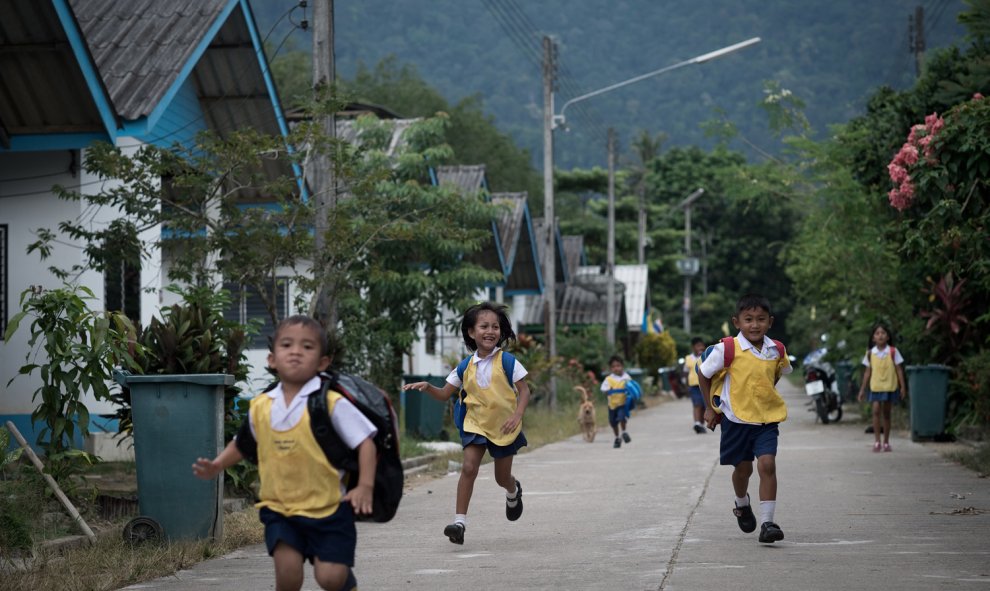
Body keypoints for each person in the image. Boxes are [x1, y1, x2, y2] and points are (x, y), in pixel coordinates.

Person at [193, 315, 376, 591]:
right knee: (288, 577)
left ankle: (345, 582)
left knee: (330, 579)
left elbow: (365, 442)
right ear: (272, 359)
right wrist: (217, 465)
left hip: (329, 509)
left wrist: (365, 485)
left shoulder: (330, 402)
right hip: (280, 510)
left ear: (323, 362)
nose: (295, 352)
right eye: (287, 345)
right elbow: (243, 444)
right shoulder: (261, 406)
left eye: (307, 347)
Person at [402, 301, 531, 545]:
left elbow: (524, 391)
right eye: (484, 326)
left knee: (501, 478)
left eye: (495, 326)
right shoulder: (464, 367)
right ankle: (459, 523)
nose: (490, 331)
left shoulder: (508, 361)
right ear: (472, 332)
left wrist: (517, 415)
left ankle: (513, 491)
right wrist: (429, 387)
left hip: (504, 426)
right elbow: (444, 393)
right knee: (469, 467)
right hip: (475, 424)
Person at [699, 294, 792, 544]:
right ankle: (742, 504)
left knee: (767, 464)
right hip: (735, 420)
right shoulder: (727, 349)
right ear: (736, 322)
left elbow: (776, 374)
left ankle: (767, 523)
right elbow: (703, 372)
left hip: (766, 420)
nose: (754, 325)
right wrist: (709, 408)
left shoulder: (776, 350)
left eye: (761, 319)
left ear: (770, 322)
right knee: (743, 469)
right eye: (748, 319)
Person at [857, 322, 907, 452]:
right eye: (877, 333)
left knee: (886, 414)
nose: (880, 336)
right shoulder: (870, 353)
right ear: (873, 338)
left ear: (888, 337)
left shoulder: (893, 351)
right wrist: (862, 389)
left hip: (889, 386)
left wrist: (903, 387)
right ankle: (877, 441)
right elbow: (867, 372)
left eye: (883, 333)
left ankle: (886, 442)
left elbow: (899, 370)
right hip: (875, 387)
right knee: (875, 411)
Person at [601, 355, 633, 448]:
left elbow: (632, 387)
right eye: (613, 366)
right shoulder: (608, 379)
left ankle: (624, 432)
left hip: (622, 403)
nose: (616, 368)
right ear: (611, 368)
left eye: (618, 366)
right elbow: (603, 389)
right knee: (613, 422)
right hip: (612, 405)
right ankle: (617, 438)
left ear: (622, 366)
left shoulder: (626, 378)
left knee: (621, 418)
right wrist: (607, 390)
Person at [686, 337, 708, 434]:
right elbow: (685, 372)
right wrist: (684, 385)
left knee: (704, 405)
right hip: (694, 386)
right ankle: (697, 423)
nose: (701, 347)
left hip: (705, 385)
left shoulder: (706, 356)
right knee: (697, 404)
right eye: (698, 346)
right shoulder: (688, 358)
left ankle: (701, 424)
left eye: (702, 345)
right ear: (693, 347)